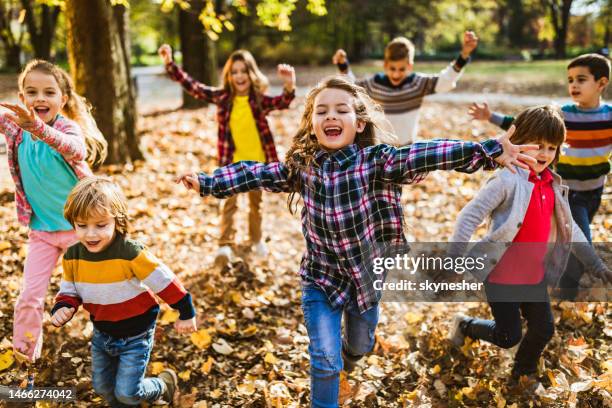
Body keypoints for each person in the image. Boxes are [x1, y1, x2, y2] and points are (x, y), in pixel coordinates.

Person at [175, 75, 537, 407]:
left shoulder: (375, 161)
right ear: (312, 125)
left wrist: (486, 150)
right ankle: (330, 382)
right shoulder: (303, 167)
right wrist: (208, 182)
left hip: (366, 277)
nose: (331, 116)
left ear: (359, 123)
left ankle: (351, 355)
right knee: (324, 359)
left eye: (341, 110)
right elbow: (254, 172)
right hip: (321, 277)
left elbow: (424, 152)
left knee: (360, 345)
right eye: (322, 111)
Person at [448, 105, 610, 388]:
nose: (544, 154)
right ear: (519, 141)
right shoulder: (507, 180)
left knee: (544, 328)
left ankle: (522, 374)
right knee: (509, 336)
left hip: (533, 277)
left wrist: (597, 265)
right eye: (538, 145)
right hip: (501, 277)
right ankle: (465, 324)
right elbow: (468, 216)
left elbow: (571, 232)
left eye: (551, 147)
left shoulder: (552, 187)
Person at [468, 54, 611, 299]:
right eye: (570, 80)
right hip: (567, 191)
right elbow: (522, 124)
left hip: (594, 190)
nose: (573, 85)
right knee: (576, 235)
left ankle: (550, 278)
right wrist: (490, 117)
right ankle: (566, 290)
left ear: (601, 83)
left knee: (565, 234)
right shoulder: (563, 115)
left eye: (581, 79)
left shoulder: (609, 116)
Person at [51, 176, 197, 407]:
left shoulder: (130, 252)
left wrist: (185, 311)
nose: (91, 234)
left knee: (128, 392)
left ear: (117, 221)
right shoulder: (73, 255)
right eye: (82, 225)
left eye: (101, 225)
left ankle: (163, 385)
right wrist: (63, 306)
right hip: (102, 333)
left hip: (136, 334)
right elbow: (70, 289)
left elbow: (164, 281)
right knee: (103, 388)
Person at [0, 59, 107, 363]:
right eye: (31, 92)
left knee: (96, 293)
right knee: (29, 297)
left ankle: (117, 345)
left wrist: (38, 126)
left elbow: (77, 150)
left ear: (63, 99)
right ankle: (24, 357)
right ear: (22, 99)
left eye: (49, 92)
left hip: (83, 232)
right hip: (43, 232)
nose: (40, 99)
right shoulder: (14, 128)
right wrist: (27, 124)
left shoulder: (66, 128)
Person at [159, 44, 296, 264]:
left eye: (243, 71)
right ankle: (225, 246)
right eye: (234, 72)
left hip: (258, 167)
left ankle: (256, 240)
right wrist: (170, 65)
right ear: (229, 76)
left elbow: (282, 101)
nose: (239, 76)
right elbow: (195, 87)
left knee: (255, 206)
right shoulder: (224, 98)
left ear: (251, 74)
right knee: (229, 205)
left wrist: (289, 84)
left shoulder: (259, 100)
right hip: (231, 166)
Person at [332, 31, 478, 145]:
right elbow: (351, 87)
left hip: (407, 146)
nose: (396, 74)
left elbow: (445, 81)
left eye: (402, 69)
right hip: (380, 146)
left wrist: (464, 55)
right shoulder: (376, 83)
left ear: (410, 66)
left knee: (401, 183)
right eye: (392, 68)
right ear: (385, 65)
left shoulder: (417, 84)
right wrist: (342, 65)